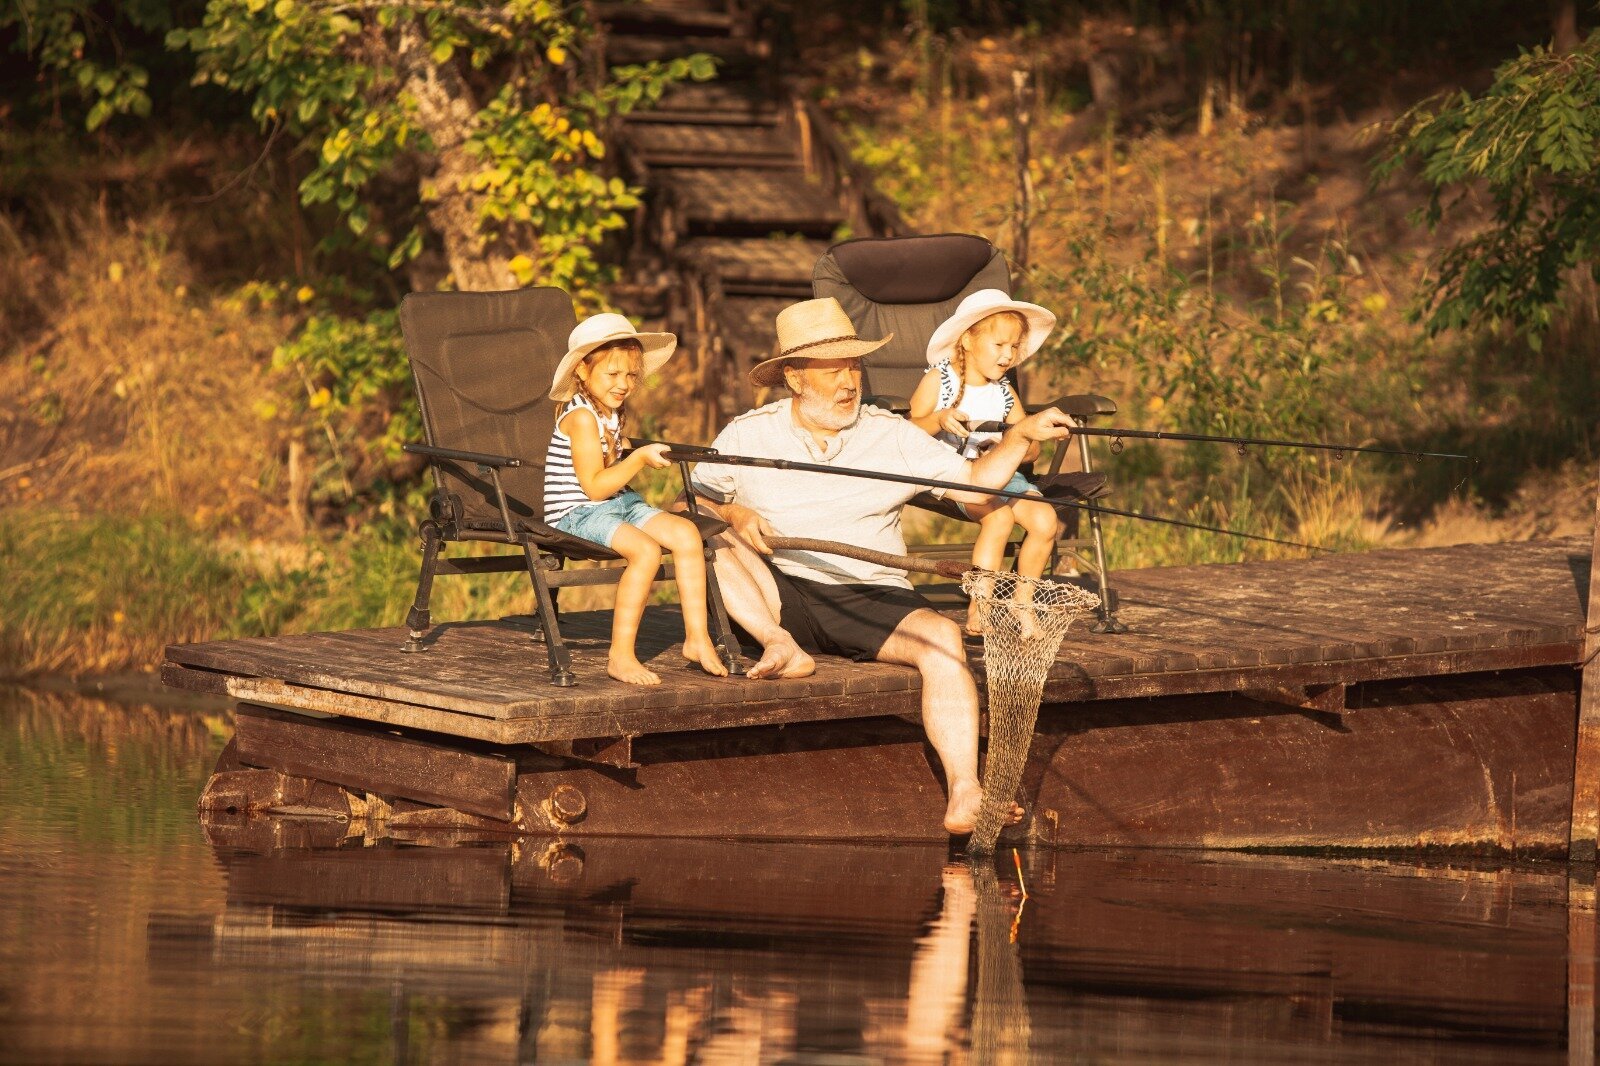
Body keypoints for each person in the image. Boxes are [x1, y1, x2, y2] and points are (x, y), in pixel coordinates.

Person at [685, 297, 1075, 834]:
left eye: (855, 366)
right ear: (795, 378)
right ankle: (779, 644)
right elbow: (689, 505)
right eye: (834, 369)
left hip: (870, 592)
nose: (850, 380)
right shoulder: (747, 433)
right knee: (716, 540)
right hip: (774, 589)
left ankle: (966, 792)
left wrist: (1019, 437)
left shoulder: (893, 435)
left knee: (943, 640)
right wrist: (731, 510)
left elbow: (979, 483)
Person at [545, 312, 729, 686]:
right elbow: (594, 487)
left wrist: (626, 449)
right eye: (612, 375)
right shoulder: (580, 418)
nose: (624, 383)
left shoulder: (609, 412)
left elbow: (610, 465)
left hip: (617, 503)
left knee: (686, 535)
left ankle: (697, 638)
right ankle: (621, 656)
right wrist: (639, 459)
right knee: (645, 551)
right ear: (582, 371)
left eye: (630, 375)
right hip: (577, 510)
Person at [908, 288, 1063, 635]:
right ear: (967, 340)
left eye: (1014, 347)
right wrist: (939, 418)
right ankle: (980, 607)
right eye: (999, 345)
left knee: (1045, 519)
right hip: (956, 476)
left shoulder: (1004, 392)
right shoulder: (941, 380)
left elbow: (1030, 449)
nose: (1008, 355)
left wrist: (1016, 444)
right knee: (1000, 517)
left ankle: (1023, 605)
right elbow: (908, 430)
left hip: (1006, 477)